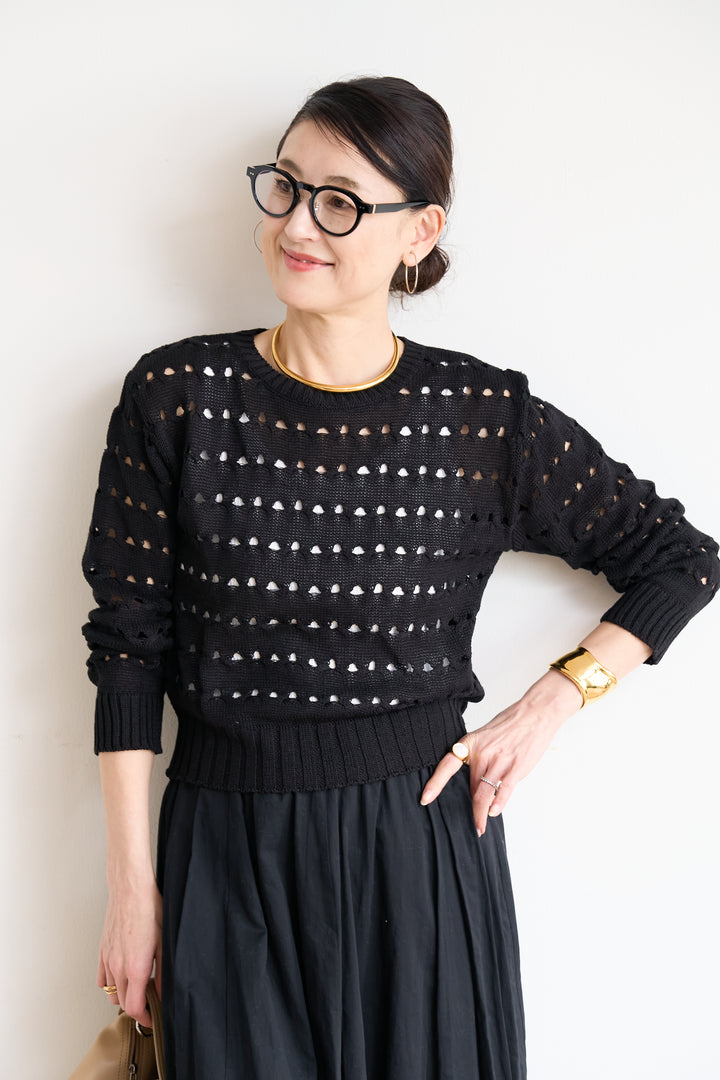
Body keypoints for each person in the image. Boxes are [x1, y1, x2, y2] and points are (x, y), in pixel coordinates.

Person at [80, 75, 719, 1080]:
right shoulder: (177, 396)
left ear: (420, 231)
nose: (300, 223)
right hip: (225, 847)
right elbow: (127, 650)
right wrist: (131, 891)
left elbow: (681, 557)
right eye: (287, 186)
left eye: (341, 202)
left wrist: (552, 701)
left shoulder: (482, 418)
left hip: (418, 854)